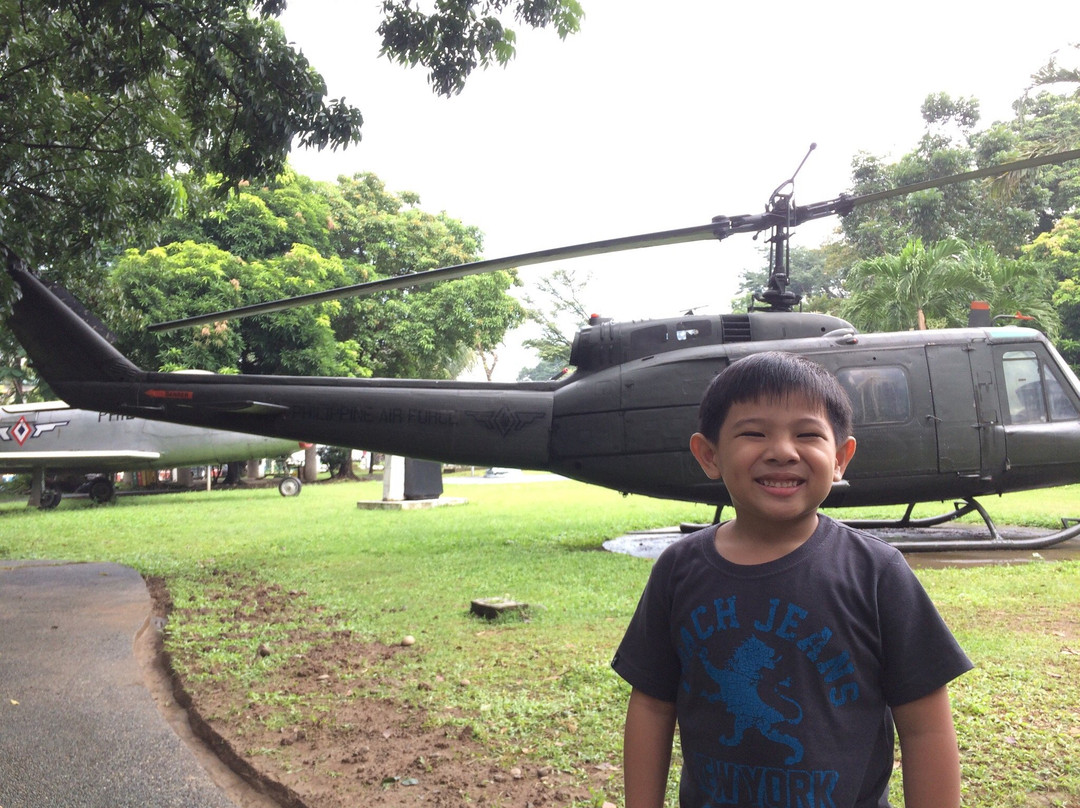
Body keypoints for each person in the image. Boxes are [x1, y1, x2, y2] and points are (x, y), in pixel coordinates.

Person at [611, 351, 972, 808]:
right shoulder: (678, 570)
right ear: (709, 454)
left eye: (807, 434)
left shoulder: (877, 574)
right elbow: (651, 705)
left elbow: (926, 727)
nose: (782, 451)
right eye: (753, 433)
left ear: (840, 458)